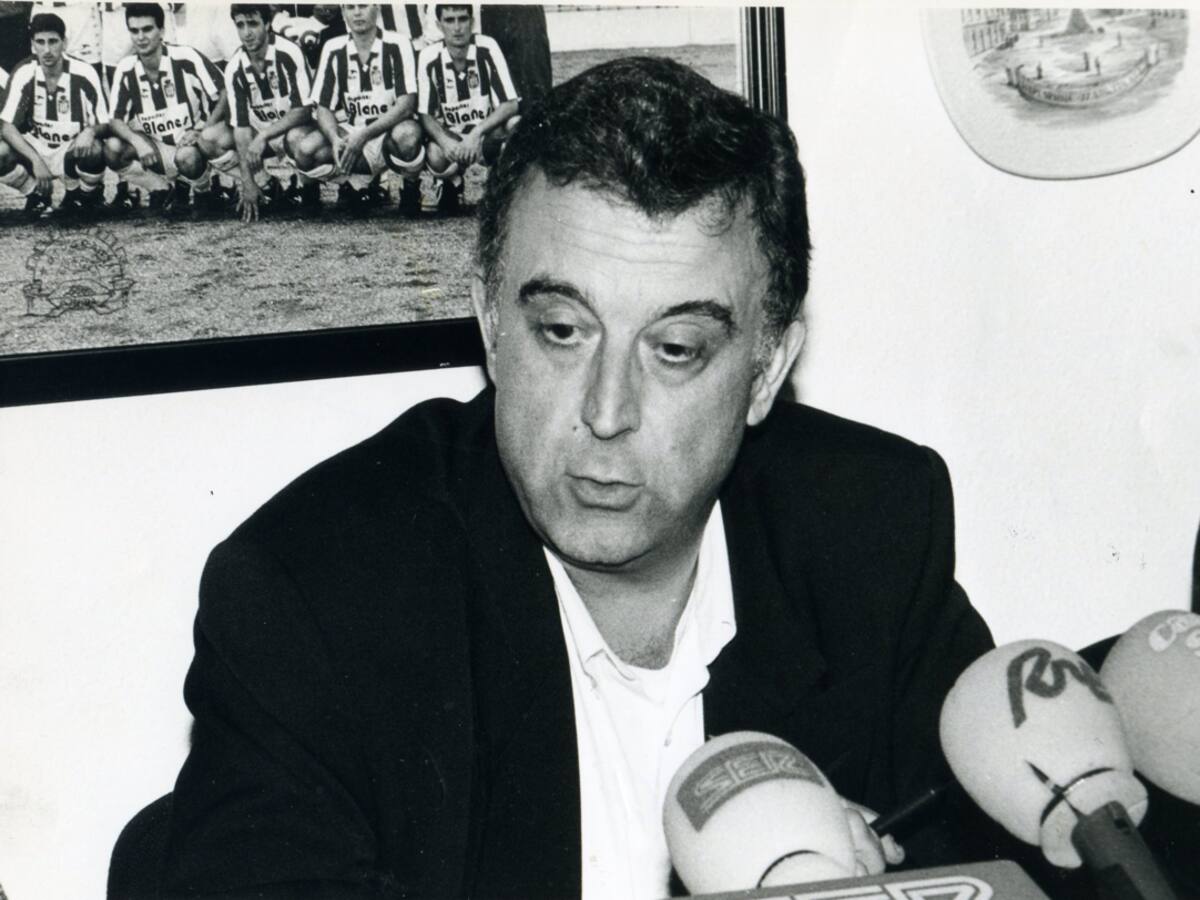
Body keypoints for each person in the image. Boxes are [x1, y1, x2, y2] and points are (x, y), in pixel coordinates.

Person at [154, 57, 994, 899]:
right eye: (562, 330)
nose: (607, 410)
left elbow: (1004, 853)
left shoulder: (871, 529)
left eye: (675, 349)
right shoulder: (316, 595)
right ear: (491, 324)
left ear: (767, 369)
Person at [103, 2, 231, 215]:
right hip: (156, 148)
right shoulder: (125, 68)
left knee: (187, 157)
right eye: (134, 31)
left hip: (192, 147)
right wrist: (137, 143)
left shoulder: (186, 57)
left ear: (162, 31)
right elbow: (115, 120)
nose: (141, 37)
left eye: (147, 29)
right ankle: (160, 189)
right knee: (113, 148)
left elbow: (225, 93)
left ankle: (204, 191)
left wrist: (203, 129)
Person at [299, 3, 423, 216]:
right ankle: (356, 183)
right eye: (350, 7)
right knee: (306, 151)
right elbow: (323, 107)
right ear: (343, 12)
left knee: (408, 135)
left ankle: (410, 189)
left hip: (388, 134)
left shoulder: (398, 43)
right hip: (351, 133)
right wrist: (334, 138)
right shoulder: (333, 47)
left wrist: (364, 135)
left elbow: (406, 105)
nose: (357, 13)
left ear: (377, 8)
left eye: (363, 5)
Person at [0, 12, 109, 220]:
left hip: (71, 148)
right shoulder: (24, 72)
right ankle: (36, 195)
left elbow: (104, 121)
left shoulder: (84, 72)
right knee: (0, 152)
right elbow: (7, 126)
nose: (47, 50)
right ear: (32, 45)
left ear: (64, 42)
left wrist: (90, 131)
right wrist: (35, 161)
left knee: (95, 148)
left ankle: (83, 194)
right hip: (38, 147)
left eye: (53, 41)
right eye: (40, 42)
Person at [217, 3, 319, 222]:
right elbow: (241, 127)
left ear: (268, 23)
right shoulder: (234, 67)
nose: (247, 32)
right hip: (259, 134)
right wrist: (248, 182)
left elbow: (303, 110)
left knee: (298, 139)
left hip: (292, 129)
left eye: (253, 24)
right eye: (240, 25)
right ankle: (268, 185)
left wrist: (264, 135)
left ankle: (309, 189)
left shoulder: (289, 52)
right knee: (211, 139)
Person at [416, 2, 517, 215]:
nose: (457, 27)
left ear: (472, 22)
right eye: (449, 20)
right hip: (451, 138)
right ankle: (450, 183)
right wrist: (444, 141)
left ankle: (499, 182)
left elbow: (510, 104)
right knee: (435, 154)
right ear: (439, 25)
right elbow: (425, 114)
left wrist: (475, 134)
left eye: (462, 19)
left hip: (483, 135)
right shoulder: (428, 56)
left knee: (515, 125)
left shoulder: (487, 47)